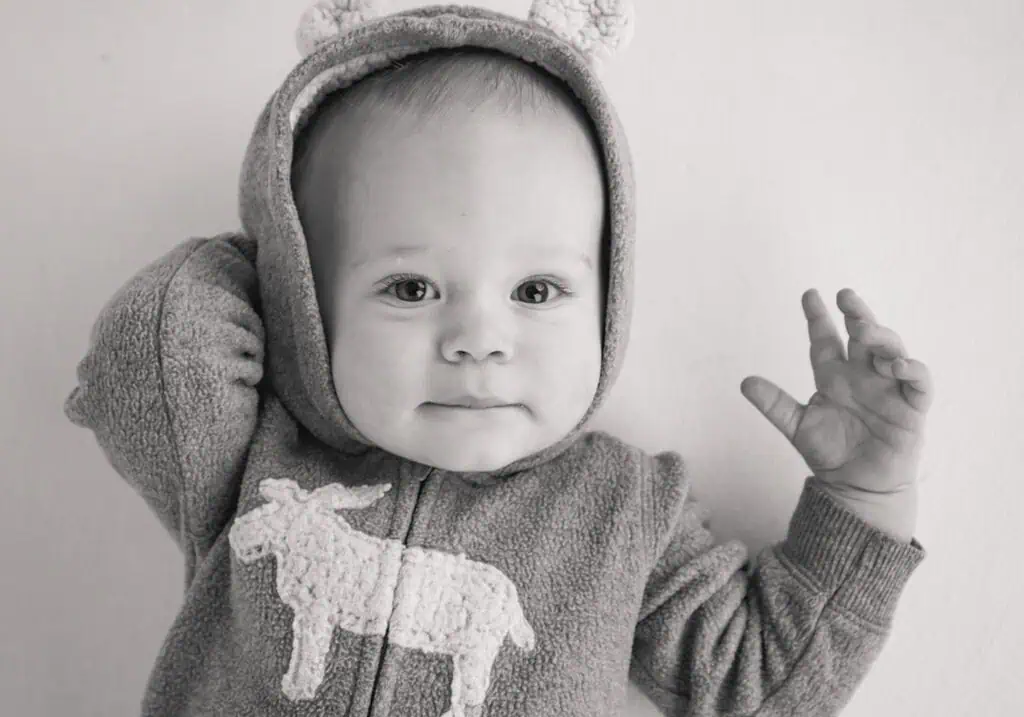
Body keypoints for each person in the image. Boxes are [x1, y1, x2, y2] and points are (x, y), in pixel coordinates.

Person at [64, 2, 933, 715]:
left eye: (536, 290)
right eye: (409, 288)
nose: (479, 339)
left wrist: (864, 496)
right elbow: (146, 358)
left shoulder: (624, 511)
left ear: (607, 300)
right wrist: (270, 262)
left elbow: (765, 683)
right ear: (306, 300)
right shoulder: (251, 462)